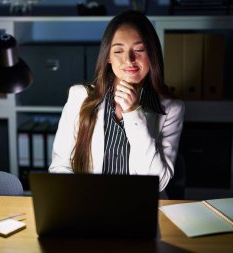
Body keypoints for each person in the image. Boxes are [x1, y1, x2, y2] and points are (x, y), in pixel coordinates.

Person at [49, 10, 185, 192]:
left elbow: (158, 183)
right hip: (87, 203)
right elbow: (59, 166)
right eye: (118, 51)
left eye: (139, 50)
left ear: (152, 54)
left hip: (140, 207)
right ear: (108, 57)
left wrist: (133, 113)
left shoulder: (171, 108)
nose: (129, 60)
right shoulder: (80, 96)